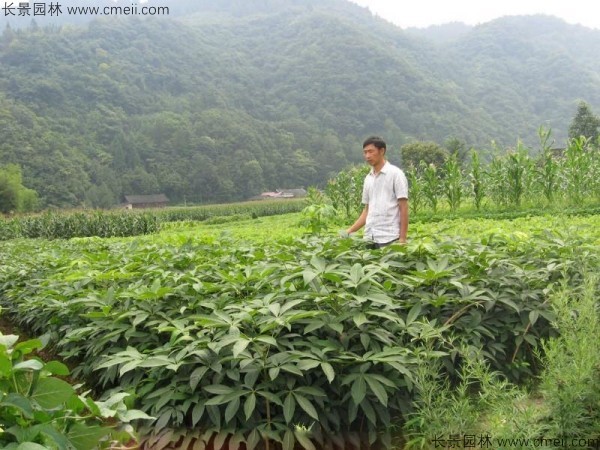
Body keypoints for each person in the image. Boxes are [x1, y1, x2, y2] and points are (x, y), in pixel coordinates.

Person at [345, 136, 409, 248]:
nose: (367, 156)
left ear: (382, 151)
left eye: (371, 151)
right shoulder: (368, 178)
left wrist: (402, 239)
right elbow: (367, 211)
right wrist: (349, 231)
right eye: (365, 152)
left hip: (390, 238)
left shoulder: (395, 174)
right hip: (369, 238)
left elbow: (403, 207)